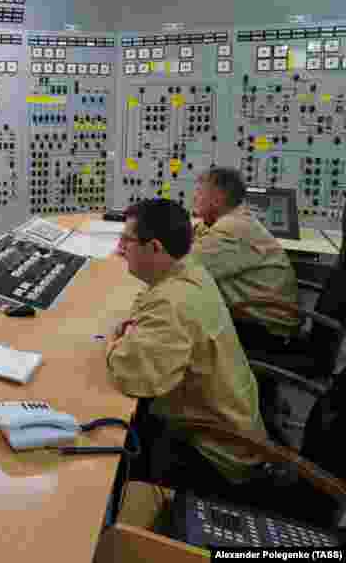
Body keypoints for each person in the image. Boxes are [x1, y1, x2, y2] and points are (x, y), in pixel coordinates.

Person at [107, 198, 269, 492]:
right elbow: (144, 313)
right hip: (230, 428)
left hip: (213, 455)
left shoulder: (173, 302)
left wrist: (114, 343)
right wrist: (132, 331)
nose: (118, 249)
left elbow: (133, 376)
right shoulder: (188, 271)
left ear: (155, 247)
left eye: (126, 241)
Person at [190, 167, 299, 348]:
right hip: (259, 319)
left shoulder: (232, 229)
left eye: (199, 192)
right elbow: (196, 233)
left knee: (179, 328)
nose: (194, 198)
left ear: (217, 199)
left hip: (265, 332)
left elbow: (182, 266)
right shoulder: (235, 219)